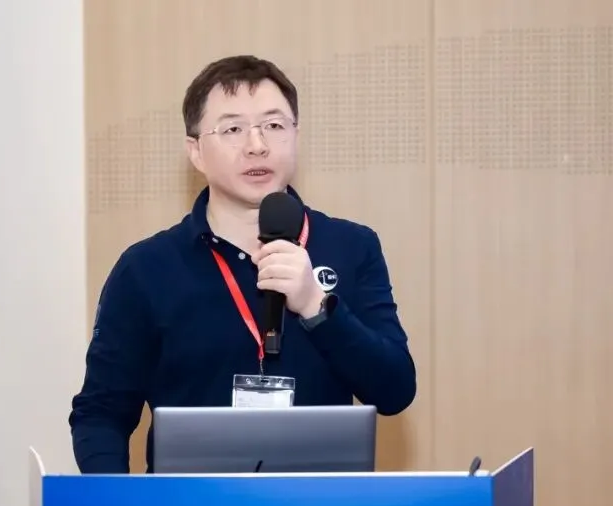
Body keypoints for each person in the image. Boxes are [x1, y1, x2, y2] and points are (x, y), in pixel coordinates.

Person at [69, 55, 416, 474]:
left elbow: (395, 390)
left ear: (296, 136)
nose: (257, 145)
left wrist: (317, 307)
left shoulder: (352, 246)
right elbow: (101, 413)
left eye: (274, 126)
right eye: (233, 129)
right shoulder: (146, 269)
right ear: (196, 152)